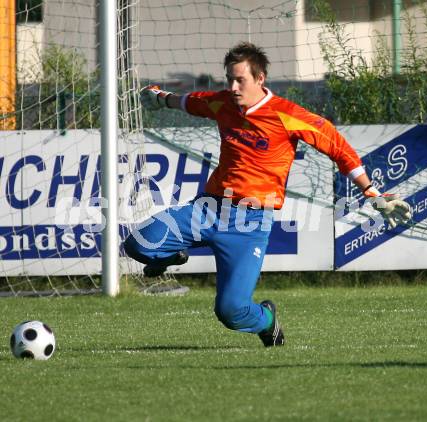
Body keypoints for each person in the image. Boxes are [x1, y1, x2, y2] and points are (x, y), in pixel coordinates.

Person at [123, 42, 411, 347]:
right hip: (208, 208)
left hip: (250, 223)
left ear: (260, 79)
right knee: (137, 244)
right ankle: (173, 254)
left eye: (240, 80)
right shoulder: (222, 103)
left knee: (231, 311)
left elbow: (337, 146)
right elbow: (189, 102)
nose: (233, 87)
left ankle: (267, 321)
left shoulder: (287, 115)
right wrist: (160, 98)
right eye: (229, 79)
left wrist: (371, 191)